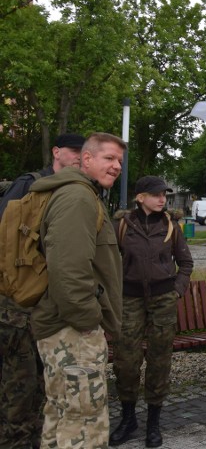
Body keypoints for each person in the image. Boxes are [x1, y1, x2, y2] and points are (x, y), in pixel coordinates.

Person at [30, 132, 126, 449]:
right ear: (86, 159)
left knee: (63, 417)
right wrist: (88, 321)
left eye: (120, 161)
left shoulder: (80, 194)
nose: (116, 166)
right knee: (83, 424)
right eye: (109, 158)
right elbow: (69, 270)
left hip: (65, 328)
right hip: (71, 331)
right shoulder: (78, 197)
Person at [0, 132, 85, 449]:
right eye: (74, 151)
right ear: (57, 152)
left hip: (57, 307)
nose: (79, 156)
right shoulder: (30, 184)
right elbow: (5, 239)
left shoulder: (78, 192)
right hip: (22, 307)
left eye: (83, 152)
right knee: (19, 389)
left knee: (50, 386)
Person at [109, 176, 194, 447]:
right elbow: (108, 263)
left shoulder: (171, 225)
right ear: (140, 197)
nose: (162, 199)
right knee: (126, 361)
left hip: (162, 301)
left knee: (159, 361)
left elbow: (186, 263)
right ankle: (128, 418)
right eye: (156, 195)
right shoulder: (122, 225)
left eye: (164, 195)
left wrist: (176, 290)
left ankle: (153, 423)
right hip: (130, 300)